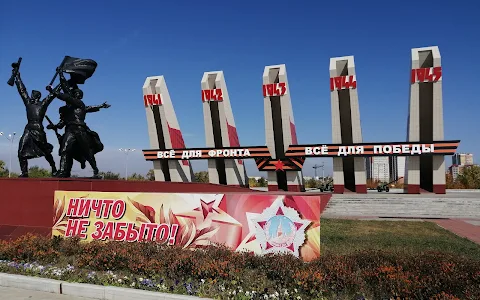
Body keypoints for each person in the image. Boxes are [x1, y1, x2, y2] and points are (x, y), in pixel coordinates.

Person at [46, 72, 110, 178]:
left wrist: (53, 91)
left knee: (87, 152)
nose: (74, 94)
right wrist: (54, 126)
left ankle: (95, 171)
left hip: (80, 129)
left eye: (76, 94)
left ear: (79, 96)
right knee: (64, 149)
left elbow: (66, 96)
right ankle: (62, 171)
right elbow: (62, 123)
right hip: (70, 129)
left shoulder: (79, 103)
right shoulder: (68, 109)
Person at [12, 66, 61, 177]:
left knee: (46, 151)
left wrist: (61, 82)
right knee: (21, 151)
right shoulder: (28, 103)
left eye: (34, 94)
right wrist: (17, 76)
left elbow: (52, 95)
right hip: (28, 128)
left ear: (37, 96)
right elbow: (22, 90)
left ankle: (54, 168)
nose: (31, 95)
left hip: (38, 129)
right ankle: (24, 172)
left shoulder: (42, 104)